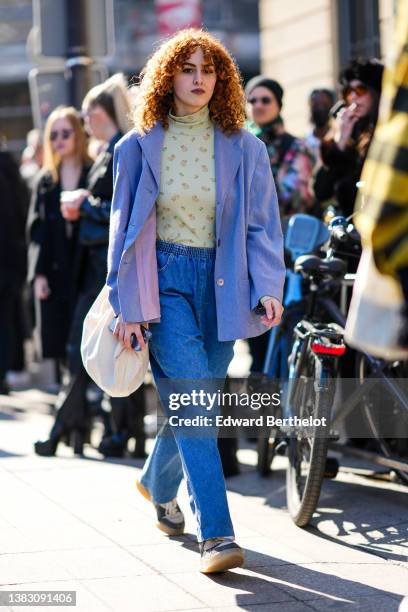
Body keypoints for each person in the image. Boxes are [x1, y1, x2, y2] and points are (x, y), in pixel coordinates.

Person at [107, 29, 285, 573]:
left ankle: (156, 482)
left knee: (194, 405)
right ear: (168, 75)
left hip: (224, 285)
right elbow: (123, 232)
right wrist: (125, 305)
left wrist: (269, 285)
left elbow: (261, 225)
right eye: (188, 68)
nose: (199, 78)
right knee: (195, 404)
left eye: (209, 70)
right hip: (163, 283)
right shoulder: (136, 146)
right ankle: (218, 534)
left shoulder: (246, 147)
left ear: (222, 79)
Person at [34, 74, 143, 457]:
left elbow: (120, 214)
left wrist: (84, 205)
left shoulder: (118, 151)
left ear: (103, 111)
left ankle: (94, 429)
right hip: (99, 267)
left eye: (88, 111)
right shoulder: (110, 151)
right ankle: (120, 432)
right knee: (113, 348)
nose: (84, 119)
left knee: (99, 349)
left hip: (105, 268)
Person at [27, 106, 92, 372]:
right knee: (64, 342)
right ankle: (74, 403)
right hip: (56, 271)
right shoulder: (46, 180)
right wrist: (38, 275)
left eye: (66, 133)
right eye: (53, 135)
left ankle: (88, 401)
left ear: (78, 134)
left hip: (86, 269)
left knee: (88, 339)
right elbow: (36, 230)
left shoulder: (92, 171)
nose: (59, 140)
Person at [314, 58, 384, 218]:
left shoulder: (387, 130)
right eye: (348, 91)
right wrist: (340, 140)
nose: (353, 97)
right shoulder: (346, 129)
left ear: (376, 93)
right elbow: (321, 191)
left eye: (360, 90)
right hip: (347, 230)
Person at [245, 75, 314, 218]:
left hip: (285, 231)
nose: (258, 105)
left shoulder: (297, 147)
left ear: (279, 105)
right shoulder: (237, 142)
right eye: (252, 100)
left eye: (266, 100)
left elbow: (297, 197)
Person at [0, 139, 30, 394]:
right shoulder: (13, 172)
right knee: (9, 316)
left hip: (8, 259)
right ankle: (9, 370)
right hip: (15, 258)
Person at [304, 88, 336, 169]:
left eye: (325, 105)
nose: (320, 109)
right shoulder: (304, 144)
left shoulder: (339, 140)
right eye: (316, 105)